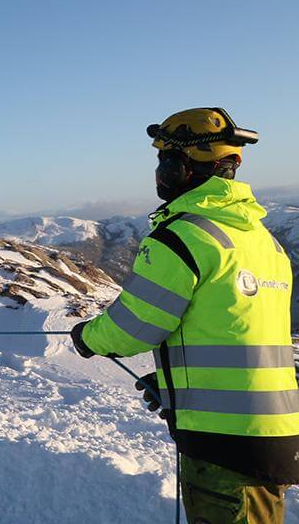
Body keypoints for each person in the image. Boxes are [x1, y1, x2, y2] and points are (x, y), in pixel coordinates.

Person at [70, 109, 299, 524]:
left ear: (181, 169)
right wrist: (183, 381)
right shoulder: (261, 241)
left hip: (224, 444)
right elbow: (240, 334)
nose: (159, 172)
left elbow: (132, 328)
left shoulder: (184, 236)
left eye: (164, 161)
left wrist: (86, 338)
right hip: (274, 432)